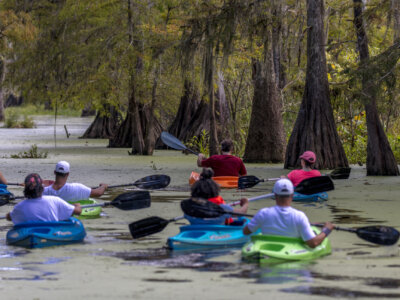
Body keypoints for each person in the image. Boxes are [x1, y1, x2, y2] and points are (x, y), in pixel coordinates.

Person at [243, 179, 333, 248]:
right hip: (290, 254)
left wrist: (245, 205)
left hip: (266, 250)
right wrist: (326, 230)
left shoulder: (263, 213)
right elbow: (313, 243)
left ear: (275, 195)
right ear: (292, 195)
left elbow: (246, 231)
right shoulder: (299, 216)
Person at [6, 173, 82, 225]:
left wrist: (9, 214)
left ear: (26, 190)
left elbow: (9, 217)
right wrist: (77, 205)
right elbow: (77, 212)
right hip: (50, 233)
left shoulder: (19, 206)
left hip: (29, 234)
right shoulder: (55, 200)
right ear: (41, 188)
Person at [43, 161, 108, 202]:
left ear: (54, 172)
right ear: (68, 174)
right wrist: (103, 186)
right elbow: (99, 193)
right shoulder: (77, 188)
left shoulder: (43, 191)